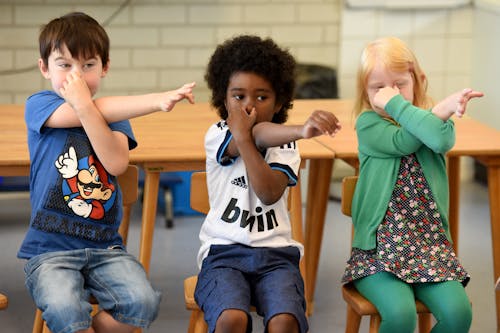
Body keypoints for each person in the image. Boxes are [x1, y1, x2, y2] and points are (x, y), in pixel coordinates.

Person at [18, 12, 195, 333]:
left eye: (88, 66)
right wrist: (154, 100)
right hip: (50, 251)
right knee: (63, 308)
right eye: (64, 65)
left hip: (105, 249)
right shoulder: (40, 105)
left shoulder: (116, 118)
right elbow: (81, 108)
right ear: (44, 68)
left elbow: (115, 164)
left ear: (105, 66)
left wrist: (87, 106)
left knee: (143, 302)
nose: (77, 77)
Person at [194, 34, 341, 333]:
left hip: (277, 258)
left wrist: (294, 134)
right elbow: (254, 135)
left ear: (279, 102)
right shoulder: (217, 134)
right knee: (231, 318)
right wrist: (299, 130)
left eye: (261, 97)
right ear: (223, 99)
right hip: (223, 254)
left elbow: (269, 191)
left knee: (285, 322)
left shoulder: (285, 146)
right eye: (239, 97)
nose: (249, 107)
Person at [341, 36, 484, 333]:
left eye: (399, 85)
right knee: (400, 315)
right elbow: (403, 142)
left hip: (429, 249)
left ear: (418, 81)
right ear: (365, 93)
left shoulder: (429, 123)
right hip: (378, 253)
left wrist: (434, 113)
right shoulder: (369, 124)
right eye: (378, 88)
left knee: (459, 314)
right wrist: (414, 107)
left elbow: (440, 138)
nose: (388, 95)